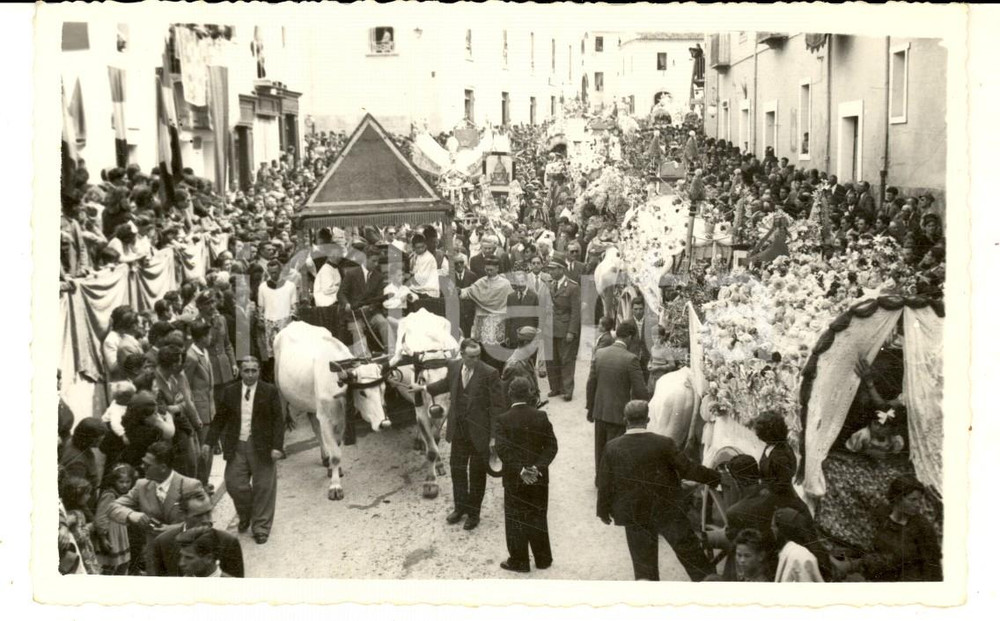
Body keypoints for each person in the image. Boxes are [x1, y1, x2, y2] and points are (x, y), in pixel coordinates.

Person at [596, 400, 722, 581]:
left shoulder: (612, 447)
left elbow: (605, 483)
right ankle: (709, 586)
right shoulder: (664, 443)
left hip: (634, 513)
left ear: (625, 420)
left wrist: (603, 511)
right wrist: (716, 477)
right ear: (647, 419)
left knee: (644, 565)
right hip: (667, 508)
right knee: (690, 552)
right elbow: (688, 469)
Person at [422, 339, 504, 531]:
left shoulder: (490, 373)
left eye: (478, 356)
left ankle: (474, 513)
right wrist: (424, 388)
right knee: (457, 470)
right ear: (462, 354)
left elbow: (497, 407)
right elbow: (446, 384)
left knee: (476, 474)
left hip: (479, 434)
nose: (475, 360)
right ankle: (460, 508)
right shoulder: (454, 366)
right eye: (471, 356)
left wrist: (493, 436)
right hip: (458, 430)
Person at [203, 356, 285, 544]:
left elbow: (278, 421)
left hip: (262, 447)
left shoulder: (269, 391)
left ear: (259, 371)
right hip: (237, 446)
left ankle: (261, 527)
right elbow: (220, 419)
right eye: (246, 370)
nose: (249, 374)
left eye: (253, 370)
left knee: (264, 487)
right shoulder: (230, 392)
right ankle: (246, 514)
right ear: (240, 371)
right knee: (234, 483)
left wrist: (277, 447)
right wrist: (209, 442)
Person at [494, 377, 558, 573]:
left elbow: (502, 450)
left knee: (515, 519)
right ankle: (543, 559)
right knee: (538, 515)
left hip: (515, 479)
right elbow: (551, 446)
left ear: (510, 394)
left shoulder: (502, 420)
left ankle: (519, 561)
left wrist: (521, 470)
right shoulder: (541, 416)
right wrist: (537, 468)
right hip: (539, 478)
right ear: (530, 393)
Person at [109, 440, 205, 570]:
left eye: (147, 465)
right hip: (154, 558)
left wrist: (173, 529)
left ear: (163, 467)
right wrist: (132, 515)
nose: (142, 467)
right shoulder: (141, 485)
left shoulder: (190, 485)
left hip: (185, 557)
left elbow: (204, 523)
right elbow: (112, 507)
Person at [834, 476, 942, 582]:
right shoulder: (882, 517)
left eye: (919, 500)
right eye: (912, 500)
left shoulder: (922, 526)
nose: (918, 505)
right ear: (898, 498)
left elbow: (932, 565)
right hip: (879, 576)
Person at [586, 321, 649, 483]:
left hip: (600, 411)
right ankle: (612, 483)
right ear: (629, 337)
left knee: (599, 448)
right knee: (615, 451)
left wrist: (590, 409)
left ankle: (599, 480)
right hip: (619, 415)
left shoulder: (600, 353)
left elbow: (590, 383)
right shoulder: (631, 359)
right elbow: (640, 391)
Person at [150, 487, 245, 577]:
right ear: (183, 515)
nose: (206, 520)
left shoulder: (228, 542)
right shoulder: (163, 543)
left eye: (208, 513)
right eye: (198, 516)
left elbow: (237, 587)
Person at [459, 256, 514, 370]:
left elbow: (511, 302)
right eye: (487, 269)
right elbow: (468, 292)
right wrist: (458, 291)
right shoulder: (481, 282)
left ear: (497, 268)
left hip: (498, 322)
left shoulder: (505, 284)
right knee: (482, 353)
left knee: (496, 354)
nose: (489, 272)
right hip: (483, 322)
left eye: (491, 270)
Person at [753, 411, 810, 515]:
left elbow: (783, 484)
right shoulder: (773, 446)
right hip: (773, 496)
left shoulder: (780, 455)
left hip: (781, 502)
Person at [544, 255, 581, 401]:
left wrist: (572, 331)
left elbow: (576, 312)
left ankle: (567, 390)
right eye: (550, 269)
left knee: (566, 360)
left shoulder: (572, 286)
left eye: (553, 269)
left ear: (561, 269)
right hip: (550, 328)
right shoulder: (550, 284)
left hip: (565, 329)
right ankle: (555, 387)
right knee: (551, 360)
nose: (551, 272)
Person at [185, 320, 217, 488]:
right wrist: (194, 413)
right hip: (199, 409)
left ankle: (205, 481)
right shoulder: (191, 357)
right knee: (204, 450)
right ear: (201, 337)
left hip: (209, 407)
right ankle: (201, 483)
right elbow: (186, 387)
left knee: (209, 448)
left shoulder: (203, 351)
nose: (211, 337)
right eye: (208, 335)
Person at [256, 259, 298, 381]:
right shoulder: (263, 287)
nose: (273, 275)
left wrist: (288, 322)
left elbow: (294, 307)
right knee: (271, 357)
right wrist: (263, 322)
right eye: (271, 273)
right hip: (269, 324)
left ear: (281, 271)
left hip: (285, 323)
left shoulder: (290, 286)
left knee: (286, 353)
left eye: (276, 272)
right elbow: (261, 308)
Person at [93, 463, 135, 575]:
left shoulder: (123, 495)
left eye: (128, 482)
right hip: (111, 533)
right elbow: (100, 517)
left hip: (120, 532)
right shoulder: (110, 495)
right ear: (114, 481)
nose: (125, 485)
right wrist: (103, 537)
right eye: (121, 482)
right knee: (110, 564)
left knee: (122, 562)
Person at [772, 507, 829, 582]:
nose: (772, 529)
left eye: (774, 526)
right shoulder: (792, 552)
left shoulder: (800, 556)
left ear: (782, 529)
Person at [58, 417, 106, 502]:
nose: (101, 440)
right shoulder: (77, 463)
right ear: (88, 438)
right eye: (98, 440)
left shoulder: (73, 442)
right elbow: (76, 495)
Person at [618, 297, 654, 384]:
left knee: (646, 381)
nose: (638, 312)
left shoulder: (652, 322)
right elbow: (622, 342)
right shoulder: (626, 323)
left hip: (647, 358)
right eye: (636, 309)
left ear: (644, 309)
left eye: (641, 309)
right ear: (632, 309)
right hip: (632, 357)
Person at [501, 326, 541, 402]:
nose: (537, 346)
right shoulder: (513, 366)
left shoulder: (527, 359)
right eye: (535, 343)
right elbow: (506, 398)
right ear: (526, 343)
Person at [504, 271, 539, 350]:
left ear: (526, 281)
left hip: (528, 337)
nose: (520, 284)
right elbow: (508, 318)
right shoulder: (511, 297)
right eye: (517, 281)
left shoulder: (534, 297)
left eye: (522, 281)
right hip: (514, 337)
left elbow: (537, 318)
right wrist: (507, 335)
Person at [451, 253, 479, 338]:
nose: (459, 265)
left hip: (468, 311)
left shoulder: (472, 276)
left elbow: (476, 293)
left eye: (461, 262)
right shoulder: (449, 277)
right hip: (455, 311)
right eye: (456, 263)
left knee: (467, 335)